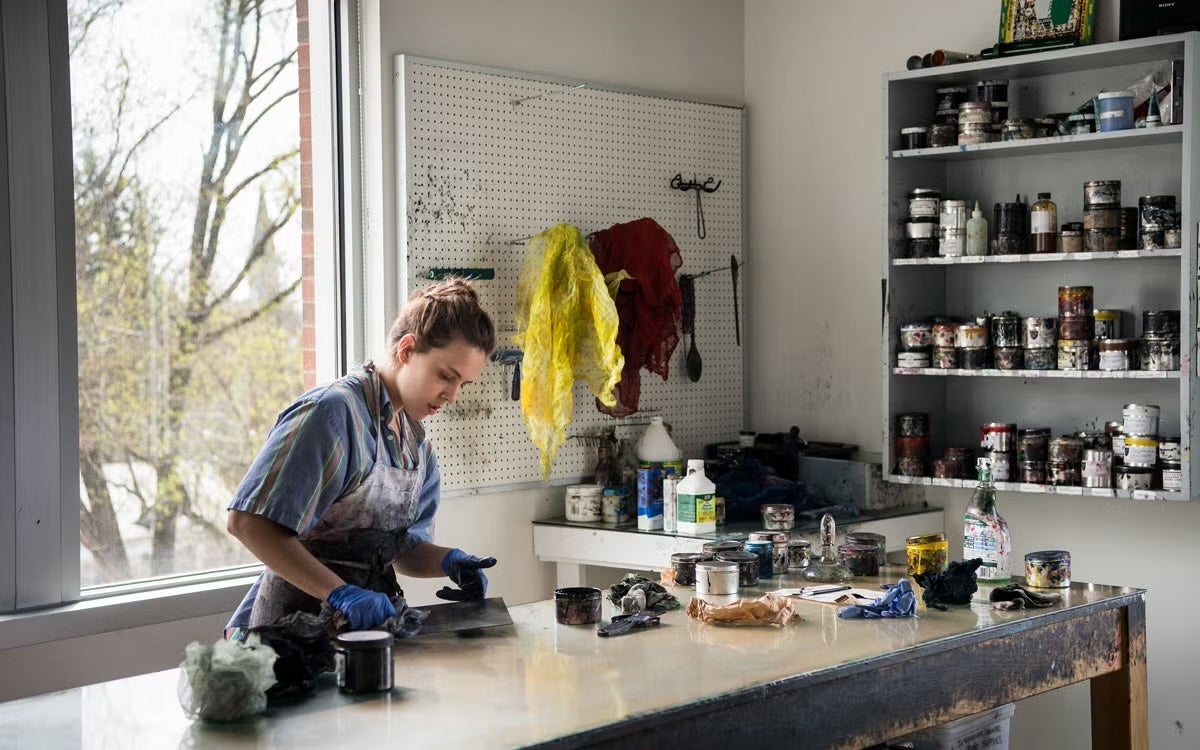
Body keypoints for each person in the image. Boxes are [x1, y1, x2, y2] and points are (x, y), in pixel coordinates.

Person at [224, 279, 498, 636]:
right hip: (289, 633)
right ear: (406, 350)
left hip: (365, 633)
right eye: (446, 376)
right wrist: (339, 593)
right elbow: (247, 522)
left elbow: (403, 552)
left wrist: (449, 561)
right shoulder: (332, 414)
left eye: (463, 385)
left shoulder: (417, 448)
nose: (451, 397)